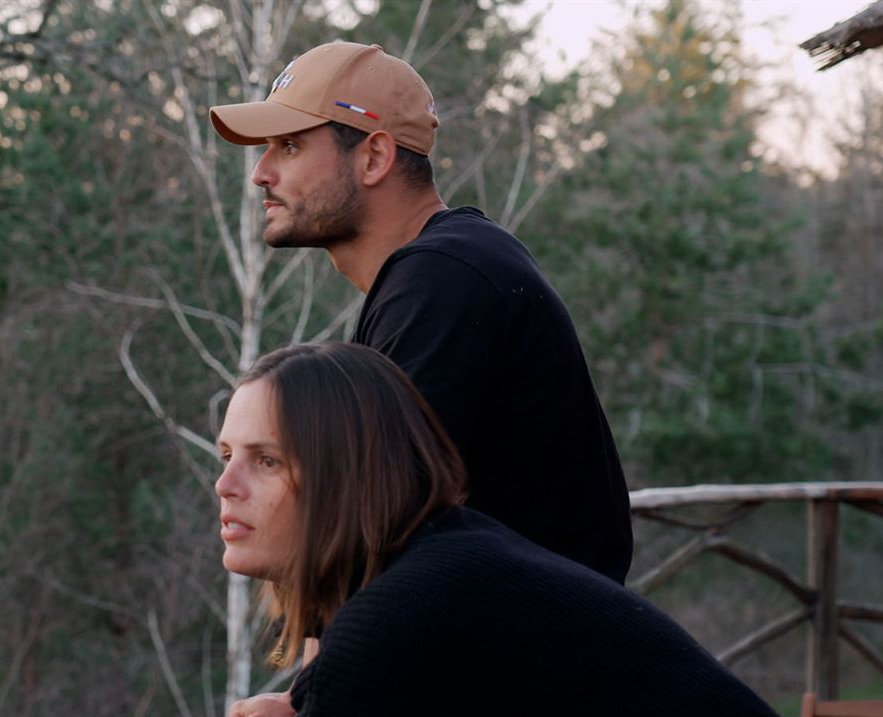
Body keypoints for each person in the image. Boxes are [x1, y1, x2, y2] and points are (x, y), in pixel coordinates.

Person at [209, 41, 632, 586]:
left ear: (375, 157)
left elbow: (366, 527)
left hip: (528, 653)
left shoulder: (444, 279)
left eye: (289, 146)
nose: (260, 172)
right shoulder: (447, 265)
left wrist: (322, 664)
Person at [215, 343, 781, 717]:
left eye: (266, 460)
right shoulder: (448, 558)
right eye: (225, 455)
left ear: (348, 473)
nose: (225, 484)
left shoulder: (399, 613)